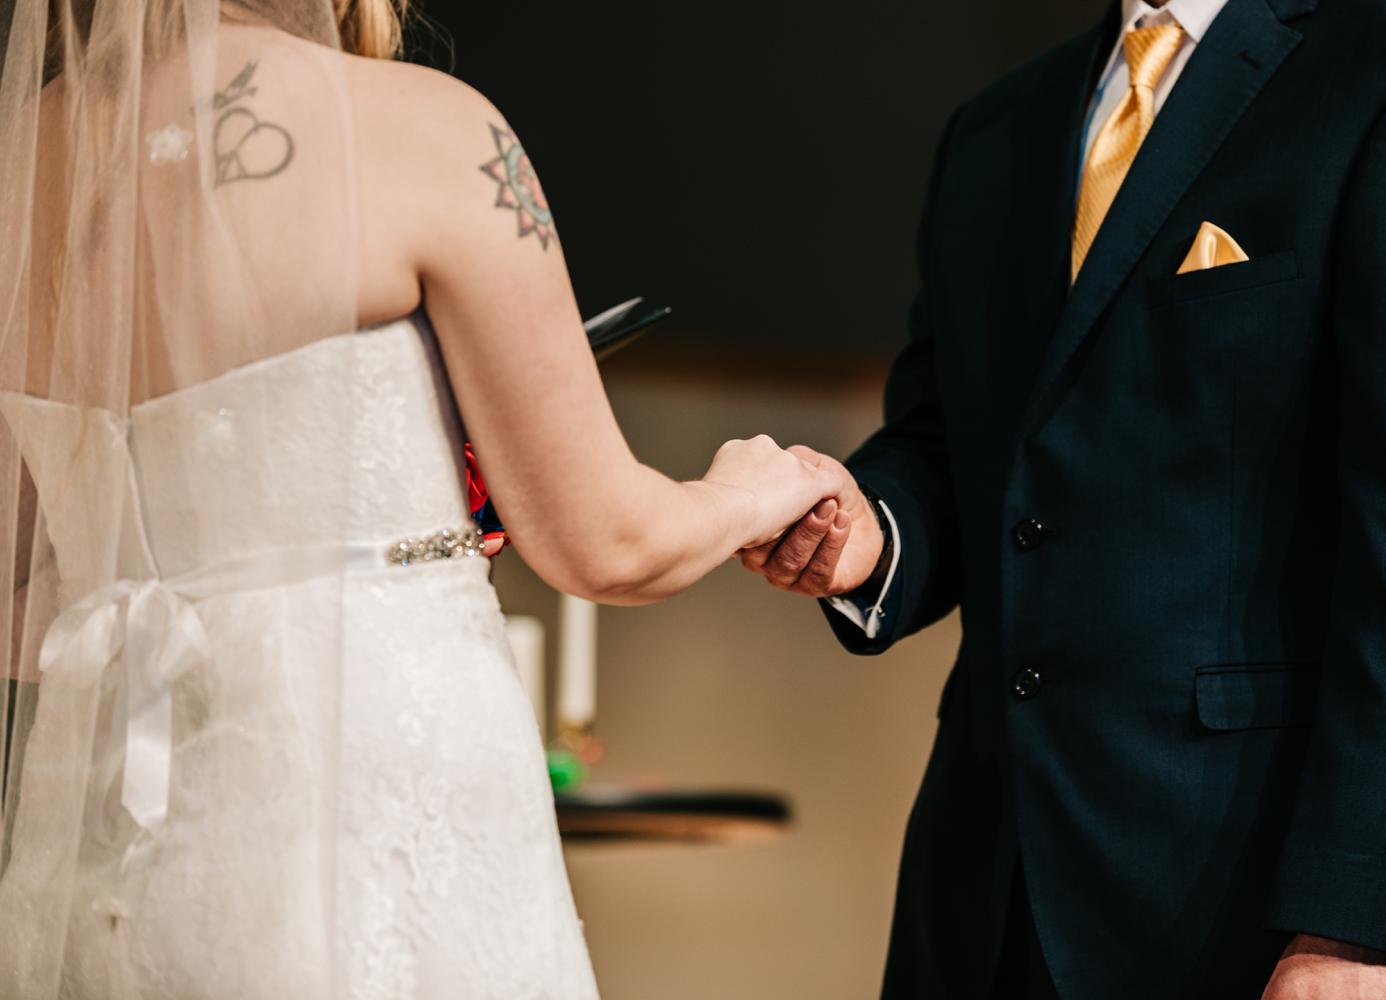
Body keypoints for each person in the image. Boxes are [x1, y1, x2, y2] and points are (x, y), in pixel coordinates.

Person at [0, 1, 852, 996]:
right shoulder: (428, 131)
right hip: (376, 805)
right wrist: (749, 489)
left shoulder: (22, 165)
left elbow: (21, 607)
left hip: (113, 840)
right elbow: (612, 545)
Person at [742, 0, 1386, 996]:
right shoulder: (996, 126)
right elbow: (946, 444)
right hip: (984, 899)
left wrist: (1356, 929)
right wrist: (867, 533)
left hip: (1256, 905)